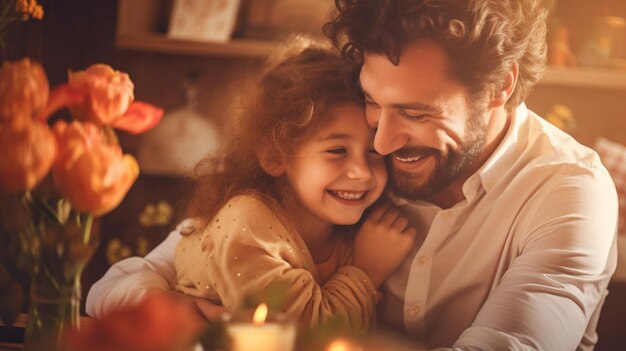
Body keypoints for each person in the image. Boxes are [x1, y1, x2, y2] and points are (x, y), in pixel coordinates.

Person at [88, 0, 618, 349]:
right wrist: (181, 315)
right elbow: (124, 282)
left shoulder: (568, 193)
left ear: (501, 86)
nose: (383, 143)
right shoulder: (344, 168)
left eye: (415, 112)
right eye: (372, 101)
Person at [89, 40, 417, 332]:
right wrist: (365, 272)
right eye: (336, 150)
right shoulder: (246, 220)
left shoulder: (359, 231)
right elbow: (301, 338)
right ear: (275, 155)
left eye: (374, 151)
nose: (362, 171)